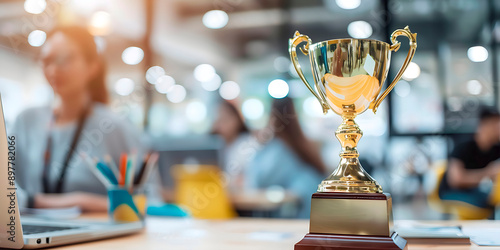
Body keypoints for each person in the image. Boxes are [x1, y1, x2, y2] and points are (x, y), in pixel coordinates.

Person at [13, 26, 150, 212]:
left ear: (93, 66)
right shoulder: (26, 121)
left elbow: (147, 202)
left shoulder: (114, 126)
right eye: (46, 60)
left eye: (64, 59)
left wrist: (81, 201)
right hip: (29, 231)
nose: (53, 69)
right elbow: (9, 191)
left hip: (96, 236)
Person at [246, 97, 327, 218]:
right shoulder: (301, 143)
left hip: (299, 215)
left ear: (271, 115)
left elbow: (259, 180)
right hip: (315, 213)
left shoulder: (278, 147)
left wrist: (259, 145)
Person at [439, 107, 500, 209]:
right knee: (486, 201)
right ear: (484, 125)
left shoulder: (496, 149)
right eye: (496, 125)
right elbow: (456, 180)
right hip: (452, 192)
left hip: (480, 191)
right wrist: (488, 172)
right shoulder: (464, 146)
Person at [212, 100, 256, 191]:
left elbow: (248, 179)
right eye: (218, 120)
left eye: (224, 120)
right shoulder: (216, 145)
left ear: (237, 120)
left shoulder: (247, 144)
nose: (220, 125)